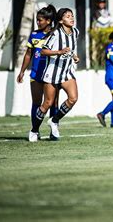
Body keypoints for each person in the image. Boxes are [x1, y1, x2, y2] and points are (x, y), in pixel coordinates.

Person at [36, 8, 80, 141]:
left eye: (72, 16)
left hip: (67, 72)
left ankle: (54, 120)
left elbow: (71, 49)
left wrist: (74, 56)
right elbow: (43, 51)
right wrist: (59, 52)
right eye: (67, 16)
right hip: (52, 72)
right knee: (47, 103)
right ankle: (34, 130)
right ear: (61, 20)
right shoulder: (54, 34)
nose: (71, 18)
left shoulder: (75, 32)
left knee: (73, 98)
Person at [17, 5, 59, 142]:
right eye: (37, 20)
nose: (38, 22)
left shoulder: (56, 34)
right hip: (35, 74)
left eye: (40, 20)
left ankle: (54, 129)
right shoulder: (34, 35)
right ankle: (35, 130)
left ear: (48, 20)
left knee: (53, 102)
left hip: (51, 74)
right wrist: (22, 71)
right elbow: (28, 54)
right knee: (36, 102)